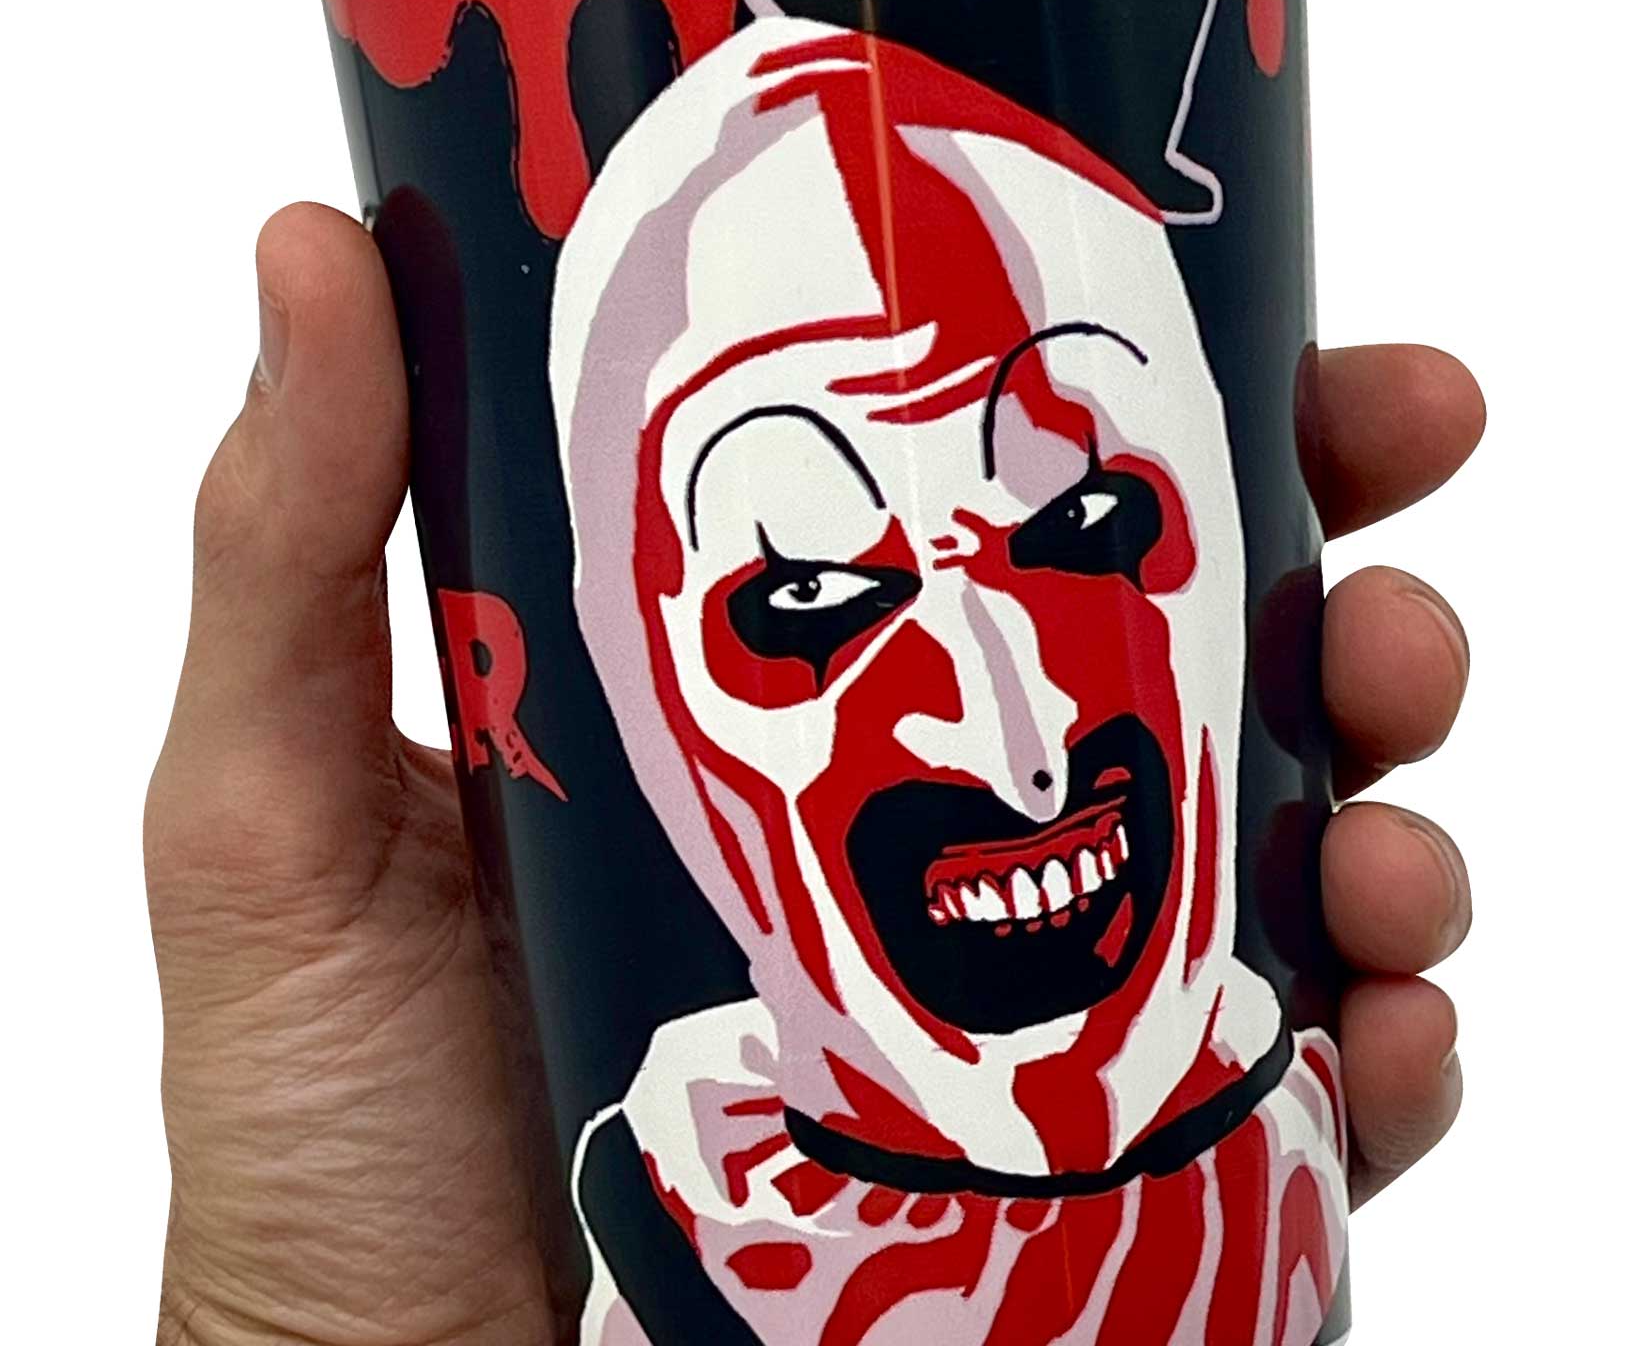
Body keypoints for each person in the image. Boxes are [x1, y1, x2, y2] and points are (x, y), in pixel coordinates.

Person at [147, 199, 1480, 1344]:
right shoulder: (651, 1221)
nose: (1010, 742)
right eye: (811, 597)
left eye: (1085, 519)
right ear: (646, 701)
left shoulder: (1280, 1141)